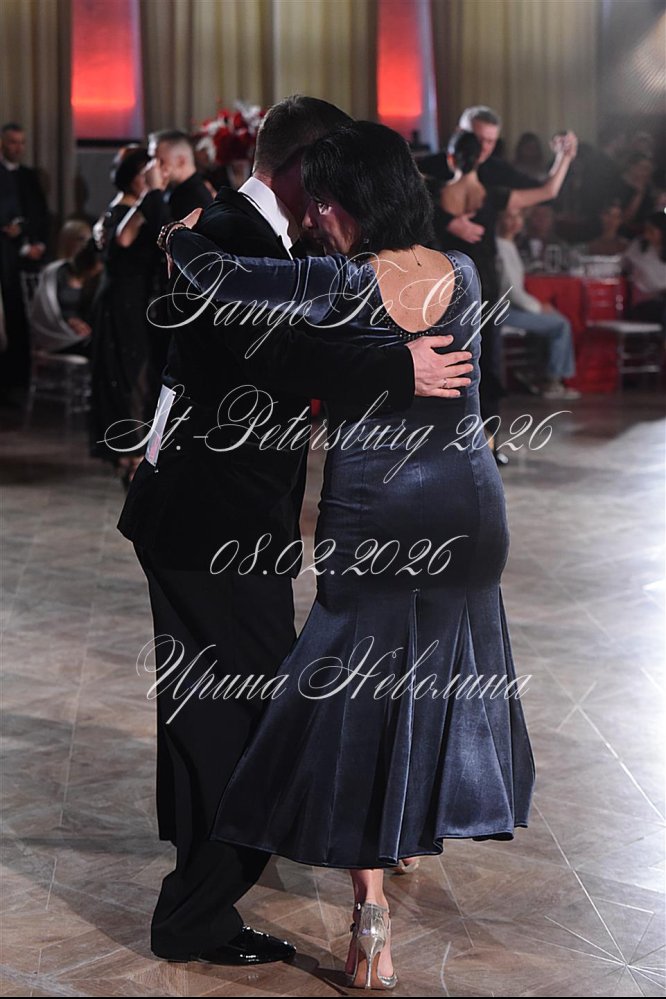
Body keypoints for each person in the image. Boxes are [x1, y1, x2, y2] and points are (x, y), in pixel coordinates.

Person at [160, 119, 536, 990]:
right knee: (433, 682)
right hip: (471, 506)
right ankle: (406, 836)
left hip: (378, 515)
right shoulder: (465, 273)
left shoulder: (337, 281)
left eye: (323, 203)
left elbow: (220, 280)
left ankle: (371, 919)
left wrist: (179, 237)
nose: (314, 217)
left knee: (354, 704)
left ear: (346, 202)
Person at [436, 127, 577, 448]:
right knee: (486, 365)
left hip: (446, 292)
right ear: (479, 159)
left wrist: (446, 221)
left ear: (450, 158)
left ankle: (448, 443)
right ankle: (489, 444)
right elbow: (548, 190)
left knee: (449, 364)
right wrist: (564, 157)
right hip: (484, 291)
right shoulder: (492, 195)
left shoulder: (435, 196)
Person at [89, 145, 167, 487]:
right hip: (123, 302)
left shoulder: (128, 205)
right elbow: (121, 241)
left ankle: (133, 452)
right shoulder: (128, 206)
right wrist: (151, 195)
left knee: (135, 373)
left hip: (131, 299)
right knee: (128, 374)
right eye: (145, 172)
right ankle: (130, 455)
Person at [496, 206, 580, 399]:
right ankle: (553, 380)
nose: (514, 222)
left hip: (510, 307)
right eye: (509, 217)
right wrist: (538, 307)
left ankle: (543, 374)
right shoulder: (500, 247)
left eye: (517, 217)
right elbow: (512, 291)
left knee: (557, 320)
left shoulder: (508, 245)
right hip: (502, 310)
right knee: (560, 324)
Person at [0, 122, 50, 399]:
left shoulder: (29, 177)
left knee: (23, 321)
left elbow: (40, 214)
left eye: (21, 143)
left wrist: (37, 243)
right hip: (6, 259)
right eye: (12, 142)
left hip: (28, 260)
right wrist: (19, 243)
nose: (17, 148)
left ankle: (20, 382)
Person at [29, 235, 101, 356]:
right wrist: (68, 321)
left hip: (85, 338)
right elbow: (45, 307)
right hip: (55, 333)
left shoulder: (98, 280)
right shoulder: (56, 272)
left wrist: (84, 325)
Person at [622, 210, 666, 329]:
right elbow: (625, 269)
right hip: (644, 303)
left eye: (651, 231)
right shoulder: (639, 247)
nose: (646, 235)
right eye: (646, 230)